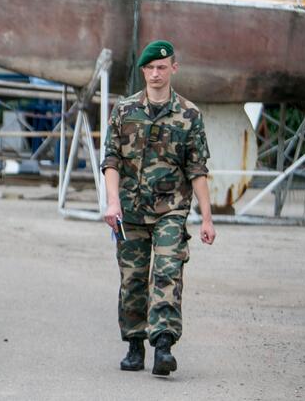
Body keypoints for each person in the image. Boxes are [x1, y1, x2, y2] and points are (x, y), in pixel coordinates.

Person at [102, 40, 216, 376]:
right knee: (133, 279)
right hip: (131, 211)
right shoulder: (124, 111)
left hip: (171, 209)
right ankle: (135, 345)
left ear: (173, 69)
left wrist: (207, 218)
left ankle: (163, 344)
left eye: (162, 67)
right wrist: (112, 201)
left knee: (168, 272)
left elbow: (197, 169)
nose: (155, 73)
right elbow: (111, 160)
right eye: (150, 68)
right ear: (143, 71)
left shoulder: (189, 115)